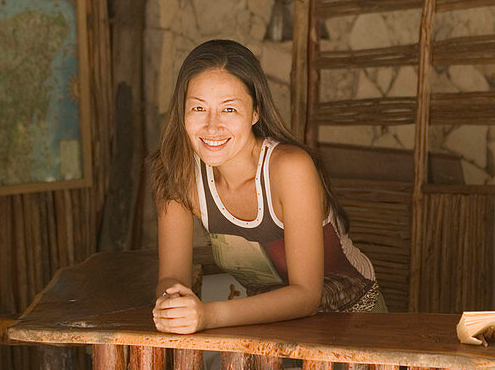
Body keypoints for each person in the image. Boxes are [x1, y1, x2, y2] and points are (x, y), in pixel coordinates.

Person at [151, 39, 381, 335]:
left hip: (352, 320)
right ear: (182, 112)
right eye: (198, 108)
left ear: (255, 112)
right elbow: (171, 276)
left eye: (229, 110)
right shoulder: (176, 174)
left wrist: (207, 315)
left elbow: (306, 296)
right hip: (263, 322)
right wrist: (173, 305)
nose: (211, 126)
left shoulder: (289, 169)